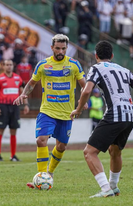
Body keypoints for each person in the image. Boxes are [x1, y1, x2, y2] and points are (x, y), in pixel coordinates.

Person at [70, 41, 133, 198]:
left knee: (89, 152)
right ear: (112, 56)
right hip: (130, 114)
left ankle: (106, 188)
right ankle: (114, 186)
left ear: (96, 56)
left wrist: (78, 109)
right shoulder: (123, 69)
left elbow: (86, 91)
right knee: (115, 151)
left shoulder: (96, 68)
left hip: (116, 113)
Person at [14, 34, 87, 188]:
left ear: (66, 48)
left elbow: (84, 85)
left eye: (63, 49)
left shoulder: (74, 65)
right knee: (41, 140)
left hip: (66, 113)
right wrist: (23, 94)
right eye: (58, 48)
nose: (60, 51)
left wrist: (83, 101)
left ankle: (50, 172)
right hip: (47, 110)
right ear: (52, 48)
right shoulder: (43, 65)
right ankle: (41, 176)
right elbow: (32, 83)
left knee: (61, 146)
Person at [0, 59, 30, 162]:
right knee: (1, 129)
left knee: (14, 130)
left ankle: (13, 155)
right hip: (3, 106)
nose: (9, 66)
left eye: (10, 65)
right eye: (7, 65)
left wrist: (26, 104)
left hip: (15, 107)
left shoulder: (18, 78)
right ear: (3, 66)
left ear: (13, 66)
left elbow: (23, 92)